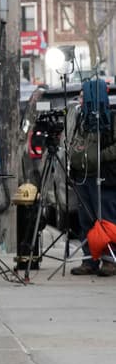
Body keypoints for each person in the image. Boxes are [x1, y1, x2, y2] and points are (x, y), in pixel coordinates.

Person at [67, 80, 116, 277]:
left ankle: (110, 260)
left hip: (104, 177)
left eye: (83, 94)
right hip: (82, 176)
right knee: (85, 219)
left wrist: (98, 156)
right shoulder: (81, 118)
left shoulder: (111, 118)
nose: (80, 98)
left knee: (106, 219)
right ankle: (90, 259)